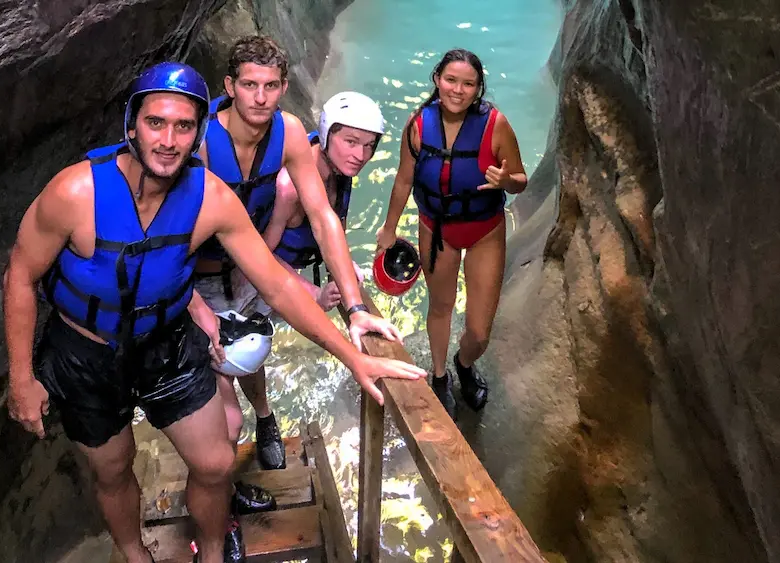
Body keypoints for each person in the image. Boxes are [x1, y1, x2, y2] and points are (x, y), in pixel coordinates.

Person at [2, 62, 426, 563]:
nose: (168, 140)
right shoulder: (76, 193)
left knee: (216, 461)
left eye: (184, 127)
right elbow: (21, 277)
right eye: (156, 123)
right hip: (84, 355)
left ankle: (210, 555)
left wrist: (352, 354)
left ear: (197, 132)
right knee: (113, 470)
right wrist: (21, 377)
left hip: (167, 342)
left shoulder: (210, 199)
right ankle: (136, 555)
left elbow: (275, 283)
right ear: (131, 126)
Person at [190, 36, 403, 474]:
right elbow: (171, 235)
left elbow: (324, 218)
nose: (260, 97)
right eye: (250, 85)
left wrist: (357, 307)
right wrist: (190, 300)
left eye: (270, 86)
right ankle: (223, 495)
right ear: (230, 86)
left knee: (250, 359)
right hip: (202, 281)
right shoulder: (203, 140)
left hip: (250, 277)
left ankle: (265, 418)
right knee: (222, 413)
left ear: (284, 86)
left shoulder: (285, 132)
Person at [375, 48, 527, 421]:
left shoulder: (496, 125)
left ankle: (464, 361)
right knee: (440, 306)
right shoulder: (418, 125)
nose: (457, 90)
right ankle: (441, 377)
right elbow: (403, 179)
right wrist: (389, 227)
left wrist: (506, 180)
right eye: (450, 80)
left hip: (484, 232)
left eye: (468, 84)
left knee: (479, 330)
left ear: (478, 89)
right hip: (436, 228)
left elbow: (520, 180)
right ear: (437, 80)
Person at [262, 91, 385, 307]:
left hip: (290, 274)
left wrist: (344, 264)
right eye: (351, 142)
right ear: (327, 135)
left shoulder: (341, 169)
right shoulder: (290, 187)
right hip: (257, 287)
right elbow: (260, 256)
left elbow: (335, 228)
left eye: (369, 145)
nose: (361, 155)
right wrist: (314, 294)